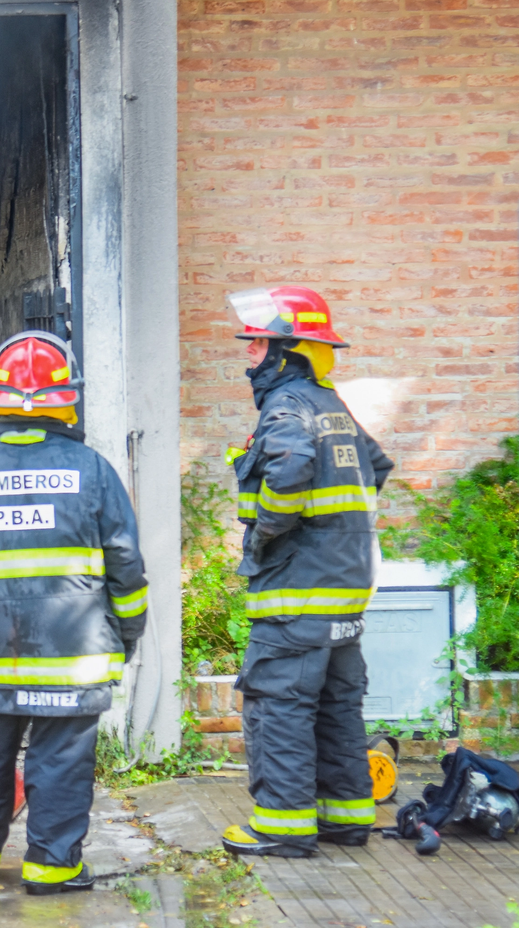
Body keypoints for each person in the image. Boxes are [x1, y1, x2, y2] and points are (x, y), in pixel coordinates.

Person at [0, 330, 148, 894]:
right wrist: (127, 633)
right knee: (61, 759)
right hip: (75, 656)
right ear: (66, 399)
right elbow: (126, 566)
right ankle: (51, 867)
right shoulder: (92, 470)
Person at [219, 286, 394, 858]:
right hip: (344, 590)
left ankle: (283, 828)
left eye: (258, 344)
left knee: (279, 706)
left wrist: (267, 531)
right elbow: (377, 464)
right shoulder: (331, 406)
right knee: (337, 706)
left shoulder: (287, 406)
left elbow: (291, 467)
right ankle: (345, 818)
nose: (250, 354)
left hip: (296, 594)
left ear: (286, 351)